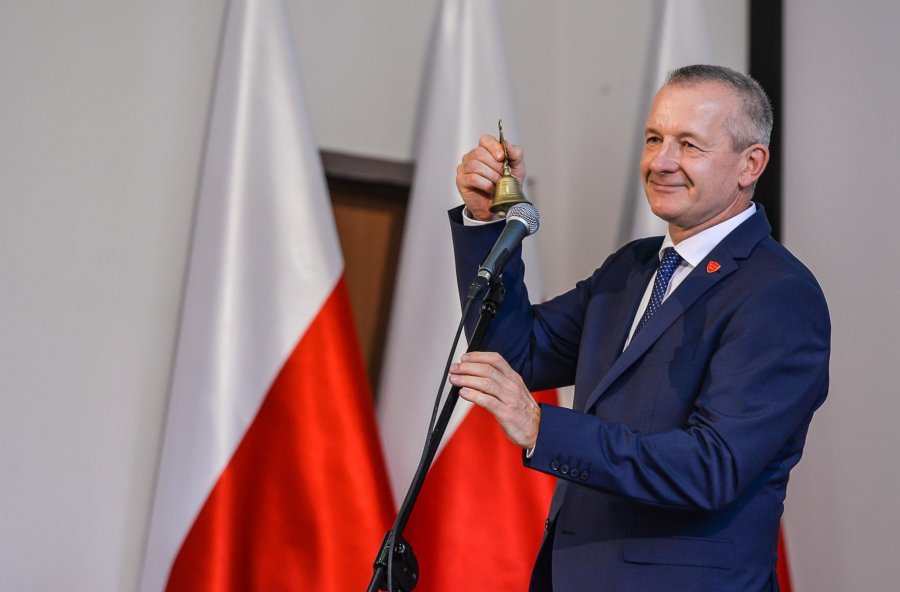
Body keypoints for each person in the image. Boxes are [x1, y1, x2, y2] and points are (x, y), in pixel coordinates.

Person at [446, 65, 830, 591]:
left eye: (688, 144)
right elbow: (518, 354)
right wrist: (486, 219)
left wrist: (541, 427)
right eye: (654, 139)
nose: (661, 161)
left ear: (751, 164)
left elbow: (711, 468)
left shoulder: (778, 293)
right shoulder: (632, 267)